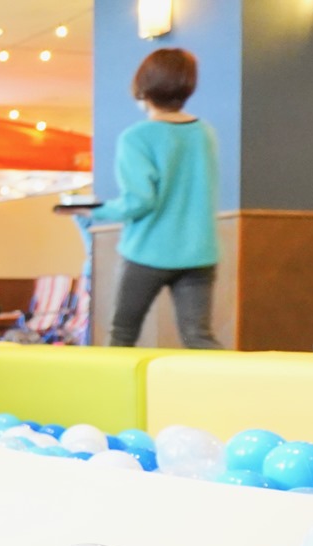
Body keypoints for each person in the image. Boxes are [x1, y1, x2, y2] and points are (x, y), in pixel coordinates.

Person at [75, 48, 221, 349]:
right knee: (199, 338)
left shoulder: (136, 137)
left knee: (122, 335)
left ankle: (111, 397)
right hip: (200, 253)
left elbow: (139, 201)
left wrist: (96, 211)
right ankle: (231, 394)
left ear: (142, 86)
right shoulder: (204, 133)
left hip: (147, 252)